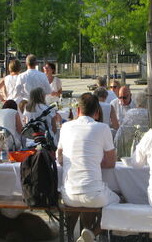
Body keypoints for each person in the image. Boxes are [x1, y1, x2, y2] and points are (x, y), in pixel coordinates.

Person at [57, 93, 118, 242]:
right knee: (118, 201)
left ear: (78, 110)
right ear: (97, 113)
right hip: (94, 194)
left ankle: (70, 236)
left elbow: (59, 157)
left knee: (80, 199)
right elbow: (111, 163)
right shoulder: (103, 128)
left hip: (69, 195)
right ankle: (93, 232)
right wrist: (95, 161)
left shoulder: (65, 127)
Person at [114, 92, 149, 158]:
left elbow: (121, 132)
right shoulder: (149, 114)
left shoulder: (130, 113)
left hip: (126, 151)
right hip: (144, 151)